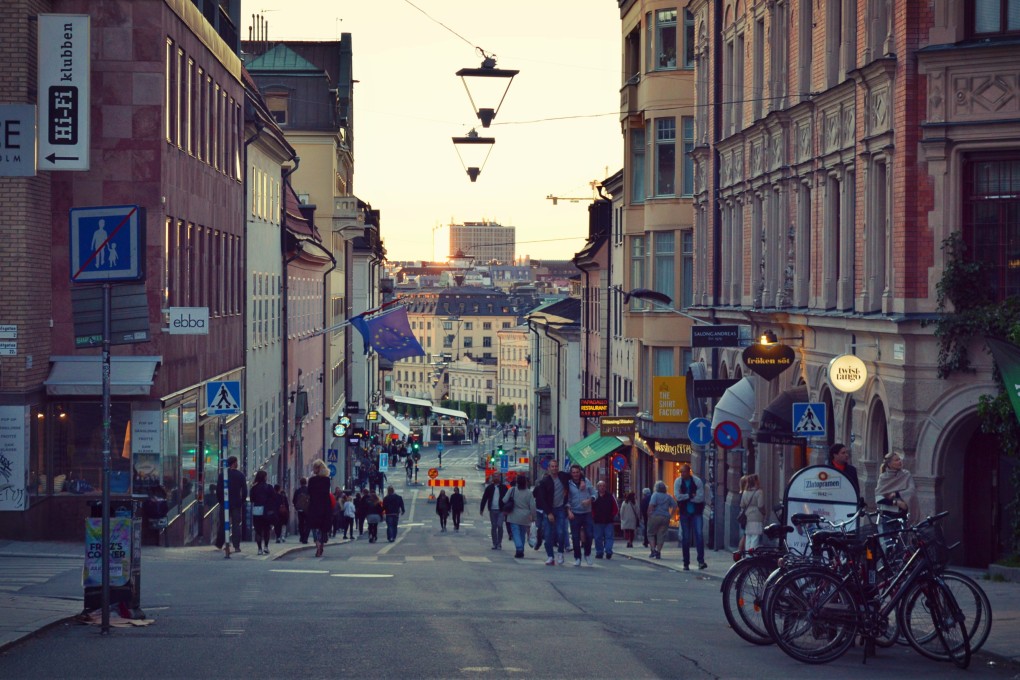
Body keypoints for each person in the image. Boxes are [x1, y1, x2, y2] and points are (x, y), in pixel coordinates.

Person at [533, 459, 572, 566]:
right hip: (549, 510)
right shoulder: (544, 482)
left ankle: (560, 552)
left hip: (560, 508)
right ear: (549, 468)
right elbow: (543, 499)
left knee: (561, 532)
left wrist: (582, 481)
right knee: (547, 534)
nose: (554, 468)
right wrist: (549, 513)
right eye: (552, 466)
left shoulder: (563, 476)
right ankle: (550, 556)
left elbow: (576, 475)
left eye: (556, 466)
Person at [675, 463, 707, 570]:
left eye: (683, 472)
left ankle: (701, 561)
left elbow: (700, 498)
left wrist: (685, 497)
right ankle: (686, 563)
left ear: (689, 472)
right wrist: (690, 495)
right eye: (681, 472)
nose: (681, 474)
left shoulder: (697, 481)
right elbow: (677, 497)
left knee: (699, 536)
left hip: (696, 512)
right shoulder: (678, 482)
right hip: (684, 513)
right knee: (686, 538)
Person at [216, 456, 247, 559]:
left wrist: (222, 501)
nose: (237, 464)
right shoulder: (240, 475)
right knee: (236, 525)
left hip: (225, 503)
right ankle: (236, 546)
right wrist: (241, 501)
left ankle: (220, 543)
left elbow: (218, 490)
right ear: (234, 463)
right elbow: (244, 491)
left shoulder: (222, 475)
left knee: (223, 524)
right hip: (236, 503)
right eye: (236, 462)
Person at [874, 452, 920, 521]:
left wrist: (896, 494)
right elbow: (878, 498)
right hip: (887, 515)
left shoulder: (906, 474)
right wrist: (897, 503)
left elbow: (911, 490)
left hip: (902, 514)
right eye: (896, 460)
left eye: (899, 459)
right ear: (889, 464)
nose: (900, 461)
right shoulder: (883, 477)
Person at [567, 463, 595, 567]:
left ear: (580, 473)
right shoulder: (568, 483)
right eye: (573, 472)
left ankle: (587, 554)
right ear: (571, 473)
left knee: (589, 534)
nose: (575, 474)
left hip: (587, 512)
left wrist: (589, 500)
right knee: (575, 537)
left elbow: (594, 493)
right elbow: (566, 499)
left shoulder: (586, 481)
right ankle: (577, 557)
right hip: (575, 513)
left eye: (577, 472)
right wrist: (568, 511)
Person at [504, 474, 536, 558]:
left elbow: (504, 500)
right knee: (522, 533)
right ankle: (521, 550)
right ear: (525, 482)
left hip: (513, 515)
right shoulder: (529, 493)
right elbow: (533, 506)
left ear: (517, 482)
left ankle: (519, 548)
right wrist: (533, 517)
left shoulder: (512, 490)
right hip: (525, 516)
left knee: (515, 533)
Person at [307, 459, 332, 557]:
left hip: (314, 506)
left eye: (314, 467)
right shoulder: (327, 480)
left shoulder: (312, 480)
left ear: (318, 468)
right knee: (322, 527)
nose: (313, 469)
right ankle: (321, 544)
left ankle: (318, 545)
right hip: (325, 506)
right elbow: (326, 493)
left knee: (314, 527)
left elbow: (309, 493)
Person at [646, 480, 677, 560]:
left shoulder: (655, 495)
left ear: (656, 488)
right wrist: (671, 515)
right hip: (665, 517)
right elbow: (675, 505)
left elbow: (651, 505)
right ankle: (658, 552)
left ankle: (653, 550)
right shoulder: (668, 496)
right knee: (661, 535)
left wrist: (649, 514)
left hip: (655, 516)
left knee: (650, 533)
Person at [591, 481, 619, 559]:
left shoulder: (610, 496)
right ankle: (599, 552)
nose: (602, 487)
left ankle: (608, 551)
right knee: (598, 538)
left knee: (609, 537)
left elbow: (616, 508)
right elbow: (591, 508)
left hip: (608, 521)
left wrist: (612, 516)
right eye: (600, 486)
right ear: (597, 487)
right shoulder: (594, 497)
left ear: (605, 487)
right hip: (597, 521)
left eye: (603, 486)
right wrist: (593, 516)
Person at [249, 470, 275, 556]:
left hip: (257, 510)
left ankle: (259, 549)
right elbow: (273, 498)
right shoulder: (269, 487)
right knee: (266, 530)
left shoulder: (254, 488)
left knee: (258, 530)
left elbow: (252, 499)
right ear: (264, 477)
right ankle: (266, 547)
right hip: (267, 511)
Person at [479, 474, 508, 550]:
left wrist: (507, 509)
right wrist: (482, 509)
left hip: (501, 510)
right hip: (492, 509)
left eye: (497, 476)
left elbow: (508, 498)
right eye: (494, 477)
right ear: (492, 478)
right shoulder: (489, 488)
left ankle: (499, 543)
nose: (496, 478)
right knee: (494, 526)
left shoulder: (504, 487)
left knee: (500, 525)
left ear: (500, 478)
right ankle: (495, 543)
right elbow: (484, 498)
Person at [740, 474, 766, 551]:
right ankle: (752, 555)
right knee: (755, 538)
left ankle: (747, 554)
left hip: (748, 517)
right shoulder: (759, 492)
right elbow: (760, 505)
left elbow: (742, 505)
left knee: (748, 537)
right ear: (756, 481)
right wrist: (764, 512)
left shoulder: (745, 492)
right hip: (757, 517)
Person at [292, 478, 311, 544]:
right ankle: (305, 538)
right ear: (306, 482)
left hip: (300, 510)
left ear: (300, 483)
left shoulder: (297, 491)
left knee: (301, 524)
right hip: (307, 510)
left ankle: (302, 537)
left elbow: (294, 500)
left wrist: (296, 507)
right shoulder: (309, 490)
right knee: (308, 524)